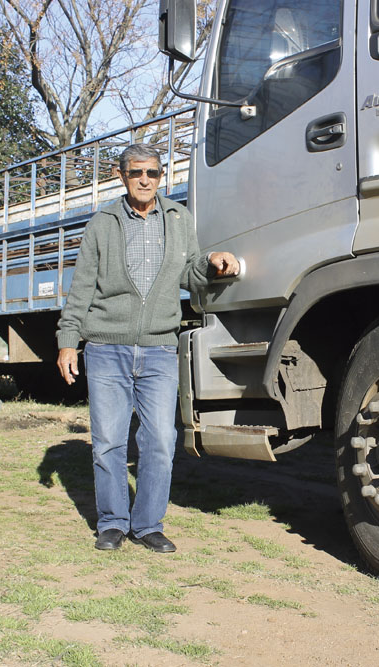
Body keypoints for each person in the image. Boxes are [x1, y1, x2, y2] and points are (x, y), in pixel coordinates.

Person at [56, 144, 239, 552]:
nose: (144, 179)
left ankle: (149, 525)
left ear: (161, 177)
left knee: (160, 440)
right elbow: (81, 288)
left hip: (159, 350)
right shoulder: (102, 223)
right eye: (136, 172)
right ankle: (112, 523)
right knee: (108, 441)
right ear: (121, 175)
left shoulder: (178, 218)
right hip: (105, 349)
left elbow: (192, 273)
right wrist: (68, 341)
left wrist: (213, 262)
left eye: (152, 173)